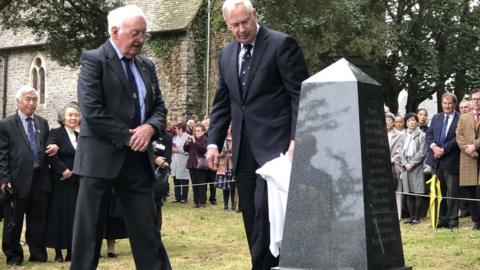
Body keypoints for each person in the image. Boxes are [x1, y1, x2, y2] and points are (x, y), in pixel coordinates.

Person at [205, 0, 309, 268]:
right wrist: (214, 143)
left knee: (270, 216)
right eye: (234, 25)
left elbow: (300, 96)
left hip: (277, 151)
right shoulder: (226, 55)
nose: (240, 29)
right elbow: (222, 102)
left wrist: (297, 139)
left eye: (244, 22)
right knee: (252, 217)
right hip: (243, 154)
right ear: (228, 25)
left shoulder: (281, 44)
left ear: (255, 15)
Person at [71, 5, 171, 270]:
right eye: (135, 33)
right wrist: (129, 137)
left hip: (137, 161)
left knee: (147, 231)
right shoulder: (94, 60)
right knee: (88, 233)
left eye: (144, 34)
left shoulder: (146, 65)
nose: (140, 39)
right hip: (99, 160)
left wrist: (150, 128)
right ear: (115, 32)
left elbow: (159, 107)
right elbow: (92, 111)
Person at [0, 86, 58, 266]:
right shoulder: (6, 124)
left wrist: (54, 146)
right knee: (13, 221)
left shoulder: (43, 122)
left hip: (40, 179)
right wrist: (4, 179)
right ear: (18, 101)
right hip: (17, 181)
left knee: (38, 220)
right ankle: (14, 256)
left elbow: (48, 145)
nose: (32, 103)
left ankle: (38, 255)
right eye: (28, 99)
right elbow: (1, 154)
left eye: (34, 99)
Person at [45, 103, 81, 263]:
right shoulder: (56, 133)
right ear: (63, 118)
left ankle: (72, 251)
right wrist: (63, 170)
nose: (73, 118)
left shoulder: (80, 136)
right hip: (61, 181)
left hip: (77, 182)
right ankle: (58, 252)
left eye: (76, 115)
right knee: (59, 216)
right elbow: (49, 153)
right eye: (70, 115)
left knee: (74, 216)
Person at [426, 92, 460, 229]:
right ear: (441, 104)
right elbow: (429, 135)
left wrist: (443, 150)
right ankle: (442, 219)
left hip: (451, 161)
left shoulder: (460, 119)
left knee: (452, 193)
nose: (447, 106)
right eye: (444, 103)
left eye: (450, 103)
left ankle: (453, 221)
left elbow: (458, 138)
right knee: (439, 192)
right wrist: (434, 147)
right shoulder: (436, 118)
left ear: (454, 104)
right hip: (436, 161)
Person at [455, 88, 480, 230]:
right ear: (471, 101)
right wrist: (468, 149)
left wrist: (475, 146)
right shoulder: (464, 117)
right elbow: (459, 135)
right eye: (475, 99)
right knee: (470, 190)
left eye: (479, 99)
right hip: (468, 157)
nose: (477, 102)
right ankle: (476, 220)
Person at [398, 113, 428, 224]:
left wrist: (412, 163)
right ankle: (410, 217)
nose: (411, 122)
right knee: (408, 192)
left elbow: (422, 152)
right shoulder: (403, 135)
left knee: (418, 193)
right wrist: (405, 164)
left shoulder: (422, 135)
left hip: (417, 166)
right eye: (409, 120)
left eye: (413, 120)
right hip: (406, 168)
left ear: (417, 122)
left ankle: (417, 217)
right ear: (406, 123)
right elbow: (400, 152)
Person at [184, 123, 209, 208]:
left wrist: (195, 142)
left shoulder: (205, 139)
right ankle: (196, 202)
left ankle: (202, 202)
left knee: (201, 183)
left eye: (198, 131)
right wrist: (187, 143)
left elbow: (203, 149)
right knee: (194, 183)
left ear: (203, 132)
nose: (196, 132)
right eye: (195, 131)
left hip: (201, 164)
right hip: (192, 164)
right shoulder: (192, 139)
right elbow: (186, 149)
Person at [387, 112, 403, 220]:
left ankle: (397, 215)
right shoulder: (376, 133)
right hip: (380, 166)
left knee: (397, 189)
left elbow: (400, 151)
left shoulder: (399, 135)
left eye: (389, 121)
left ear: (393, 123)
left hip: (394, 165)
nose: (386, 123)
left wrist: (392, 159)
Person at [216, 125, 236, 210]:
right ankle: (225, 205)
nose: (229, 130)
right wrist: (222, 154)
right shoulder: (221, 140)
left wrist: (231, 155)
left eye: (230, 128)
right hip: (223, 166)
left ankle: (233, 205)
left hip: (232, 166)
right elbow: (217, 153)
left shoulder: (236, 140)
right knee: (225, 187)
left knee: (232, 186)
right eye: (228, 128)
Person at [170, 122, 190, 203]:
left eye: (176, 129)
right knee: (176, 179)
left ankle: (184, 198)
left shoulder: (188, 137)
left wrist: (177, 150)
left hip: (183, 161)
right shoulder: (175, 137)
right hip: (175, 160)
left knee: (184, 179)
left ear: (181, 129)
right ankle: (177, 197)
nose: (175, 131)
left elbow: (188, 151)